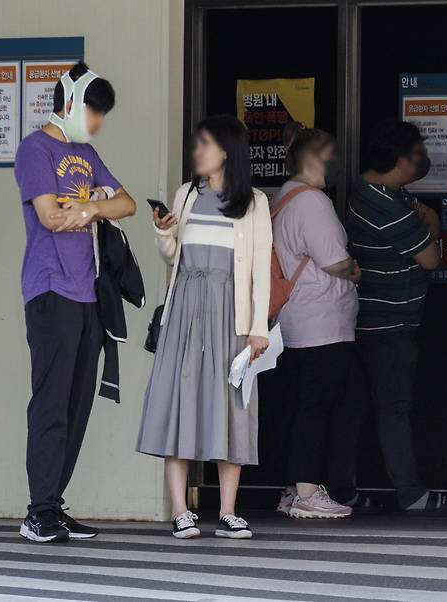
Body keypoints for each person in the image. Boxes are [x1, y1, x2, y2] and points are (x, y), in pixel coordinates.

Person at [14, 62, 136, 543]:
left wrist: (87, 207)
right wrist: (87, 205)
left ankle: (52, 504)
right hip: (50, 289)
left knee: (78, 403)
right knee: (51, 404)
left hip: (89, 294)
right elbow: (48, 216)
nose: (97, 121)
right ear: (68, 104)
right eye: (92, 111)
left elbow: (124, 202)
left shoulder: (86, 153)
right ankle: (38, 511)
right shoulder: (34, 149)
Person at [136, 115, 272, 540]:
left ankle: (228, 511)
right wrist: (162, 232)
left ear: (227, 151)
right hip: (185, 310)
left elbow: (261, 272)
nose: (197, 152)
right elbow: (172, 254)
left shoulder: (254, 201)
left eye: (205, 145)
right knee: (180, 401)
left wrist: (258, 327)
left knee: (231, 405)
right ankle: (181, 510)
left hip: (230, 312)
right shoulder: (186, 195)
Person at [345, 119, 443, 512]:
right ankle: (410, 492)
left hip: (393, 321)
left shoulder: (391, 193)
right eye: (417, 155)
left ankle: (350, 488)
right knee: (392, 407)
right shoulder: (378, 200)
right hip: (384, 324)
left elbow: (427, 220)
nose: (423, 162)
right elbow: (431, 257)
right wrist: (432, 227)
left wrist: (427, 220)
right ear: (400, 160)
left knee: (381, 406)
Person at [271, 122, 361, 519]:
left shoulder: (284, 197)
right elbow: (334, 260)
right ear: (312, 159)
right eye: (331, 154)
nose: (336, 162)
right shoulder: (312, 202)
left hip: (296, 320)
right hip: (321, 321)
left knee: (300, 405)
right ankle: (308, 492)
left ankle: (292, 489)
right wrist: (354, 269)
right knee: (317, 406)